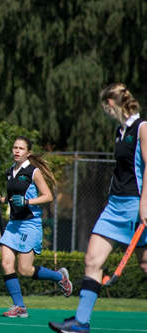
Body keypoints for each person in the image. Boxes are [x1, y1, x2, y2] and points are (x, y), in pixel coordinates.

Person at [49, 84, 147, 332]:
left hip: (135, 206)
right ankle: (81, 323)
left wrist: (144, 204)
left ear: (110, 104)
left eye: (105, 108)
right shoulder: (119, 131)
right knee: (92, 259)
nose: (105, 113)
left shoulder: (142, 129)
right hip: (114, 206)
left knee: (146, 265)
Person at [0, 136, 72, 318]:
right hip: (13, 224)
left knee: (25, 270)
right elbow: (14, 197)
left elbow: (47, 196)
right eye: (14, 147)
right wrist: (2, 200)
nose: (16, 151)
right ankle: (19, 306)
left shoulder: (33, 171)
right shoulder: (9, 171)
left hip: (30, 224)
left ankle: (60, 277)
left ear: (28, 153)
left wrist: (27, 201)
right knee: (6, 264)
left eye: (20, 148)